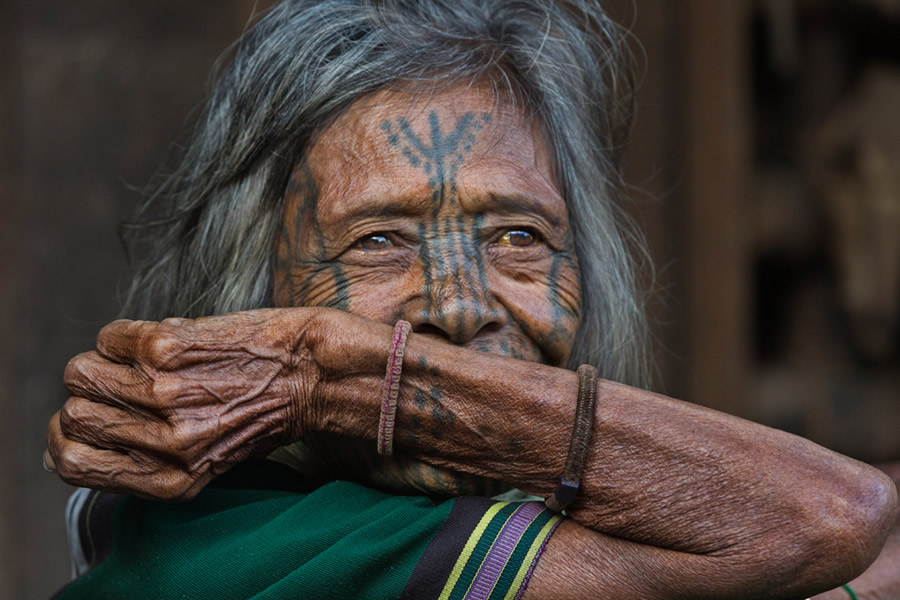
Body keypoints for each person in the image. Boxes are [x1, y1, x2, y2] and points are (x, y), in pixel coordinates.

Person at [44, 1, 898, 598]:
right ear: (252, 291)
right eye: (378, 240)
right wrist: (326, 379)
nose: (459, 306)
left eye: (517, 237)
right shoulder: (236, 551)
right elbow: (831, 518)